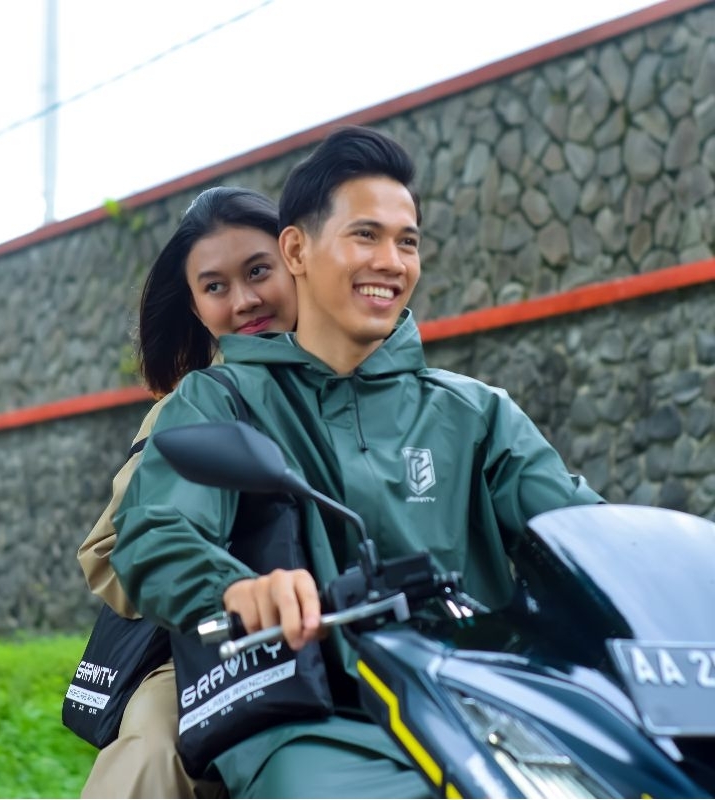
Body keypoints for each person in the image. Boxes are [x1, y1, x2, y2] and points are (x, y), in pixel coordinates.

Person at [110, 125, 605, 798]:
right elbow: (157, 531)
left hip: (480, 716)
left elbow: (586, 533)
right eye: (366, 235)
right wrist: (237, 588)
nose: (391, 261)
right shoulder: (218, 400)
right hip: (311, 722)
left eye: (408, 242)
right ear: (297, 250)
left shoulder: (476, 412)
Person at [77, 186, 297, 799]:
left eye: (258, 271)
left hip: (372, 633)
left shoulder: (388, 386)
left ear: (298, 260)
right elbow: (112, 553)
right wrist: (221, 586)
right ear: (197, 307)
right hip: (210, 653)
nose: (245, 300)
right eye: (216, 286)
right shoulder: (190, 408)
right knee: (155, 749)